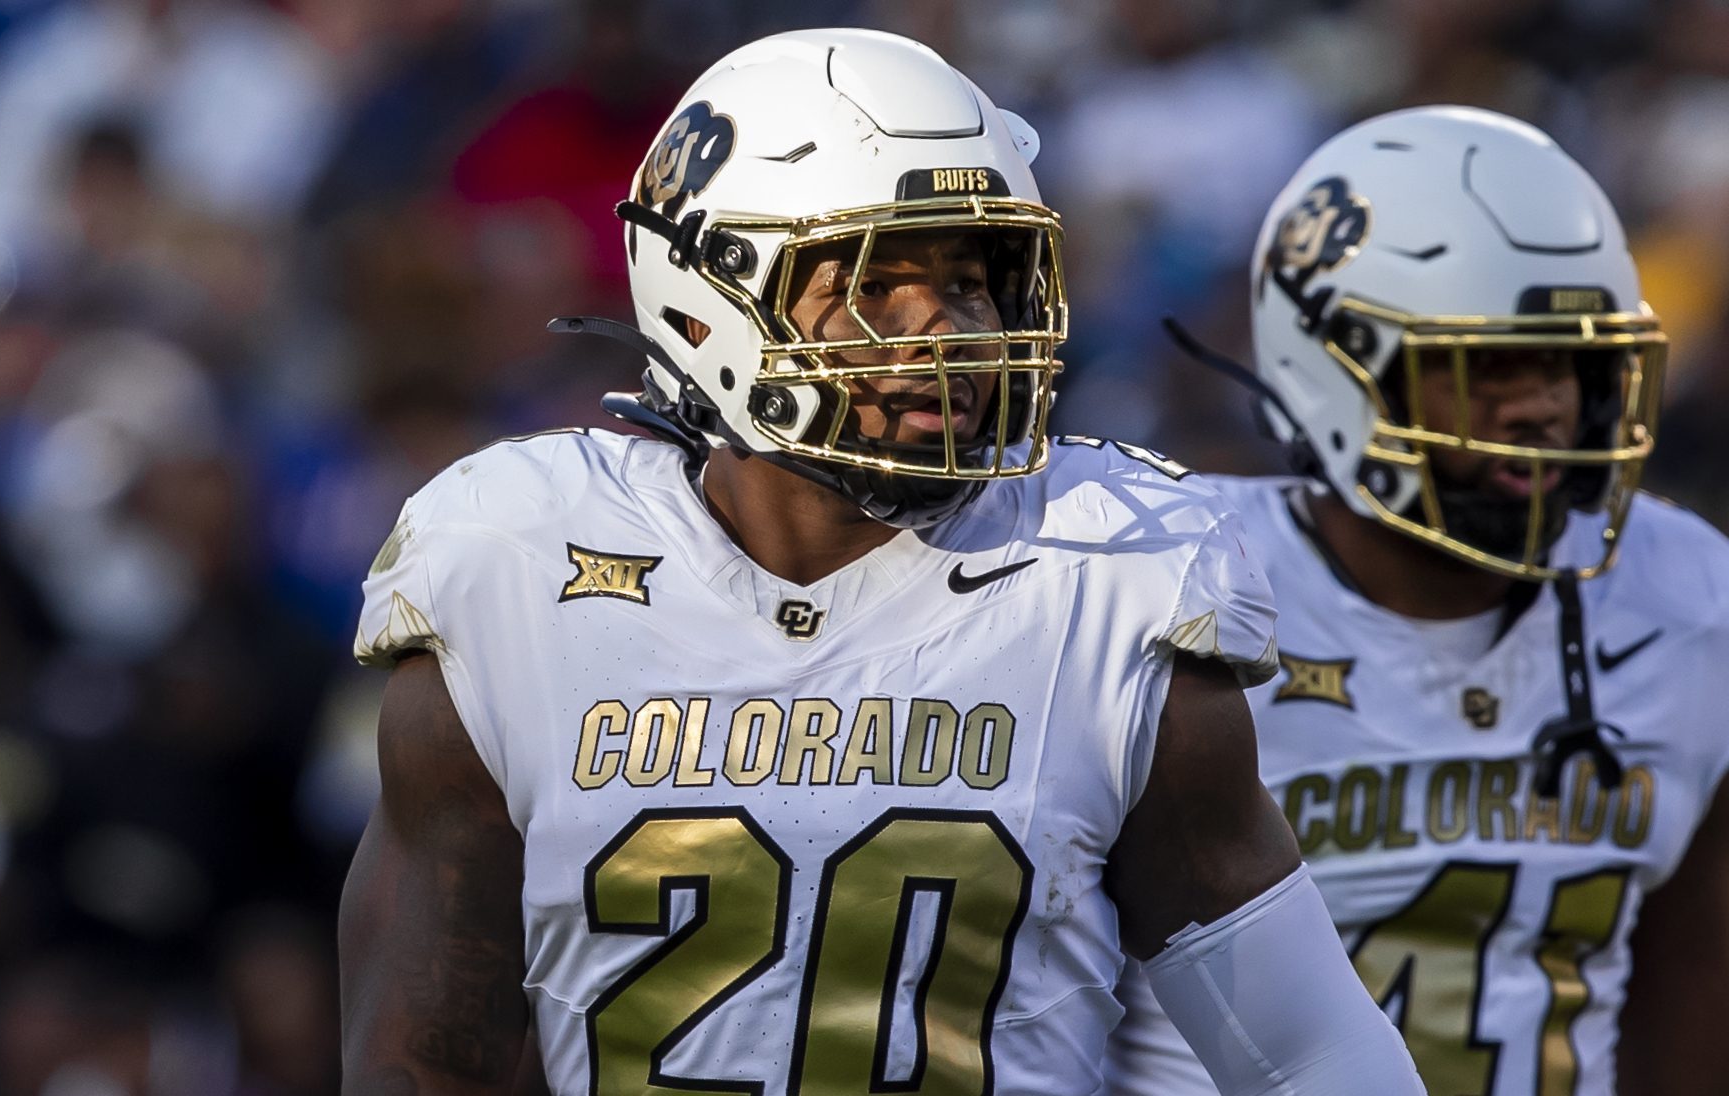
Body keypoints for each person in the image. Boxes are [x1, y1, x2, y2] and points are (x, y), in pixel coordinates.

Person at [338, 28, 1424, 1096]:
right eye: (876, 281)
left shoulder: (1101, 579)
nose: (945, 331)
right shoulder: (522, 576)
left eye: (972, 279)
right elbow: (420, 1065)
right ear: (709, 294)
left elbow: (1310, 1056)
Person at [1104, 106, 1729, 1096]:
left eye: (1573, 359)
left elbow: (1694, 974)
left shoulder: (1687, 592)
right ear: (1337, 368)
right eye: (1489, 364)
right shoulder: (1168, 584)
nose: (1545, 405)